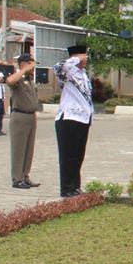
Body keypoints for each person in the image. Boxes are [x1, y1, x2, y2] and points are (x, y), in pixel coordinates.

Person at [54, 44, 93, 197]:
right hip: (69, 118)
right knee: (67, 156)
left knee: (78, 156)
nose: (85, 60)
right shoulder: (66, 72)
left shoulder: (83, 74)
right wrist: (75, 59)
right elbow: (57, 67)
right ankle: (66, 188)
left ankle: (75, 186)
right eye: (84, 57)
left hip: (83, 119)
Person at [6, 53, 41, 189]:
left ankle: (25, 176)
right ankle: (17, 178)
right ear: (23, 64)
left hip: (31, 117)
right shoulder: (18, 78)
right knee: (18, 149)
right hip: (19, 117)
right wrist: (23, 70)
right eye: (31, 64)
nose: (33, 68)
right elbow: (9, 81)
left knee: (28, 149)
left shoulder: (30, 79)